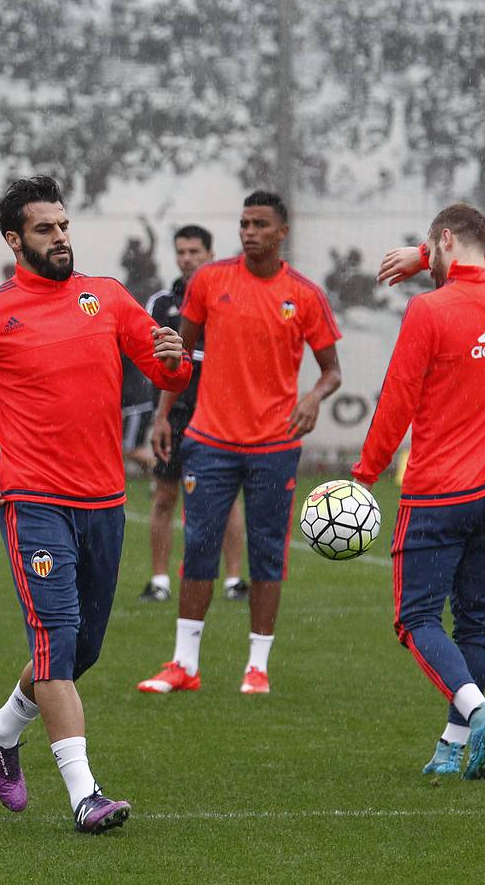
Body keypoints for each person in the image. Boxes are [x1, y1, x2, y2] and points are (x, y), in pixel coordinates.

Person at [0, 175, 191, 834]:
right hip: (31, 501)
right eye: (44, 229)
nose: (59, 238)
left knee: (78, 653)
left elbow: (164, 370)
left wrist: (173, 358)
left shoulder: (104, 297)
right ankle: (85, 794)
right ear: (14, 240)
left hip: (104, 501)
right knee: (53, 645)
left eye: (64, 226)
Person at [357, 204, 485, 780]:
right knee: (476, 625)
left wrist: (364, 474)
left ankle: (479, 716)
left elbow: (397, 402)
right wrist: (430, 251)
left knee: (415, 620)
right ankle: (453, 748)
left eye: (431, 251)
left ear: (444, 240)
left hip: (438, 493)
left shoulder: (428, 310)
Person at [138, 191, 341, 696]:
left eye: (259, 223)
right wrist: (164, 416)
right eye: (244, 222)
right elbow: (178, 357)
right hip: (209, 440)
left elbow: (332, 371)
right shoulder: (210, 281)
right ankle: (184, 664)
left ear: (281, 232)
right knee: (200, 547)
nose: (249, 231)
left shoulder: (304, 295)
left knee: (268, 553)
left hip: (275, 444)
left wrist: (314, 396)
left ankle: (258, 666)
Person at [129, 225, 247, 604]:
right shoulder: (163, 303)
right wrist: (159, 415)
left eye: (194, 251)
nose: (187, 258)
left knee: (227, 498)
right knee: (165, 495)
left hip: (220, 413)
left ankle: (233, 580)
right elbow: (152, 357)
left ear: (210, 253)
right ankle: (160, 579)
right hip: (176, 412)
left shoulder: (229, 297)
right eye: (181, 251)